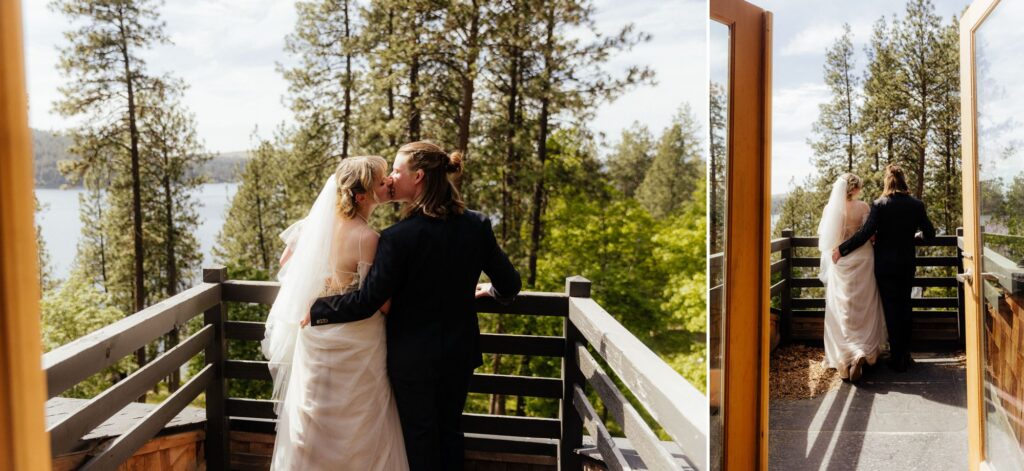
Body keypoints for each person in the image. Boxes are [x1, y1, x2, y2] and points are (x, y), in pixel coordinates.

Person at [307, 141, 522, 470]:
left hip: (411, 357)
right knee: (450, 433)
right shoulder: (477, 225)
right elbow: (511, 284)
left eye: (396, 170)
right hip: (458, 352)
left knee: (419, 439)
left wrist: (319, 311)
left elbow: (368, 301)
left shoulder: (397, 237)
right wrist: (489, 290)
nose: (390, 178)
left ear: (418, 176)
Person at [262, 155, 408, 470]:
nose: (388, 185)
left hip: (316, 334)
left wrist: (322, 286)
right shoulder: (369, 238)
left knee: (314, 417)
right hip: (358, 337)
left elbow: (287, 263)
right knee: (360, 418)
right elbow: (380, 302)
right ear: (361, 196)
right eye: (381, 182)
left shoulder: (313, 228)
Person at [833, 164, 936, 372]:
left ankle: (896, 357)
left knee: (891, 309)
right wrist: (916, 237)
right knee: (905, 306)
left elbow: (864, 233)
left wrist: (841, 250)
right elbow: (930, 234)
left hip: (885, 265)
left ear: (887, 181)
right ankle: (905, 355)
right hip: (906, 264)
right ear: (904, 180)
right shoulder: (916, 205)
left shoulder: (880, 205)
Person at [817, 173, 887, 382]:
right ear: (855, 189)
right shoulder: (863, 207)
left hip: (841, 261)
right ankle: (864, 351)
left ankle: (846, 355)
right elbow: (870, 235)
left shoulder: (830, 210)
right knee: (864, 304)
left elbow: (828, 242)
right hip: (864, 259)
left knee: (843, 307)